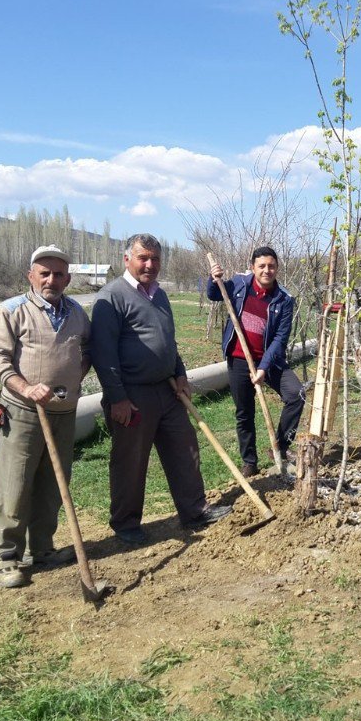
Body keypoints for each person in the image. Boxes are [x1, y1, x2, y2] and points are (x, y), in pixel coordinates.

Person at [90, 233, 231, 544]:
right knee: (131, 460)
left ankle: (194, 510)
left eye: (155, 258)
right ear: (126, 259)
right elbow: (103, 354)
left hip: (168, 391)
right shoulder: (110, 298)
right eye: (143, 258)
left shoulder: (160, 296)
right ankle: (126, 524)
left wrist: (180, 373)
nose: (150, 264)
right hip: (132, 395)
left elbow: (169, 342)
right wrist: (118, 399)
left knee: (185, 449)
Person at [0, 245, 92, 589]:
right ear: (31, 276)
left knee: (52, 487)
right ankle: (6, 558)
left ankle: (43, 550)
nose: (51, 280)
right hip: (23, 411)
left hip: (64, 411)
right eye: (44, 273)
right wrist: (26, 388)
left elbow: (88, 349)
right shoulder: (12, 310)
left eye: (58, 274)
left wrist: (75, 376)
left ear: (68, 279)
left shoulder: (76, 312)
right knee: (15, 486)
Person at [207, 246, 304, 477]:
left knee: (296, 394)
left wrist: (263, 367)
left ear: (277, 268)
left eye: (271, 266)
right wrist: (213, 279)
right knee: (245, 412)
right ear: (253, 267)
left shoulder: (284, 299)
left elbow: (280, 338)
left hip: (269, 361)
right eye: (262, 266)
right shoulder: (240, 284)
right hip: (239, 359)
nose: (266, 270)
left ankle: (279, 447)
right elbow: (214, 294)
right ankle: (249, 461)